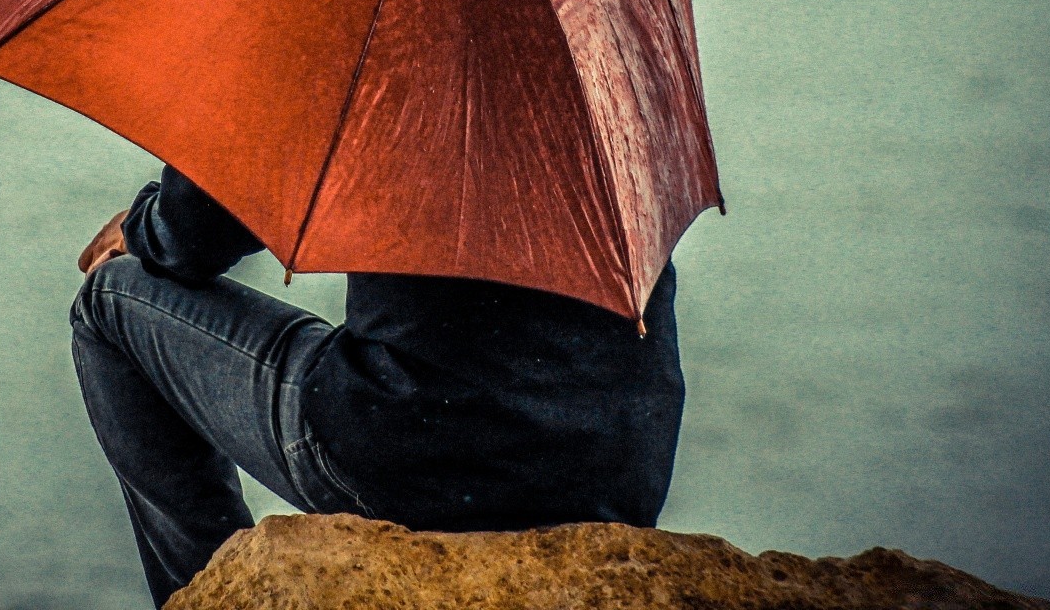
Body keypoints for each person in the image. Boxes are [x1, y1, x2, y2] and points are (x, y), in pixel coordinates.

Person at [71, 165, 685, 609]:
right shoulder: (605, 63)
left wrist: (148, 226)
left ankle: (202, 589)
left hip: (416, 452)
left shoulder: (393, 34)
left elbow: (205, 222)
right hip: (614, 473)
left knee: (108, 301)